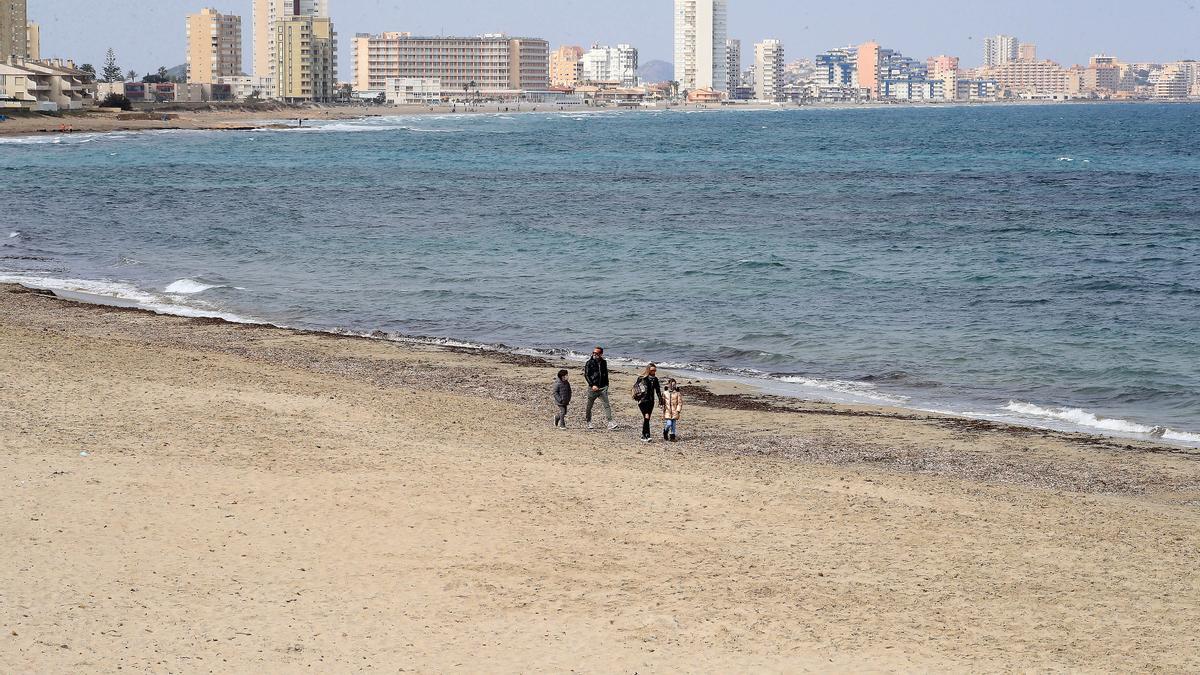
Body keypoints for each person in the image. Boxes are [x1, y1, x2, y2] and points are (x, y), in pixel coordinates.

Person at [584, 346, 617, 430]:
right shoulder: (589, 362)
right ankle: (589, 422)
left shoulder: (604, 362)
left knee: (606, 405)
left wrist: (607, 385)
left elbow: (605, 374)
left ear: (601, 354)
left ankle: (610, 422)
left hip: (603, 387)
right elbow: (587, 375)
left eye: (597, 353)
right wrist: (592, 385)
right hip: (593, 388)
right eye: (593, 353)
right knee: (589, 406)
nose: (595, 354)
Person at [633, 363, 665, 442]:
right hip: (642, 401)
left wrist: (660, 400)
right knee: (646, 416)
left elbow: (657, 391)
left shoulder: (655, 379)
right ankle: (647, 435)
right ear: (648, 370)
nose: (654, 372)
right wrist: (637, 397)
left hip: (651, 401)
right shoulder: (642, 378)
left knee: (647, 418)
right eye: (652, 370)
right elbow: (636, 388)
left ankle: (644, 435)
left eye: (655, 370)